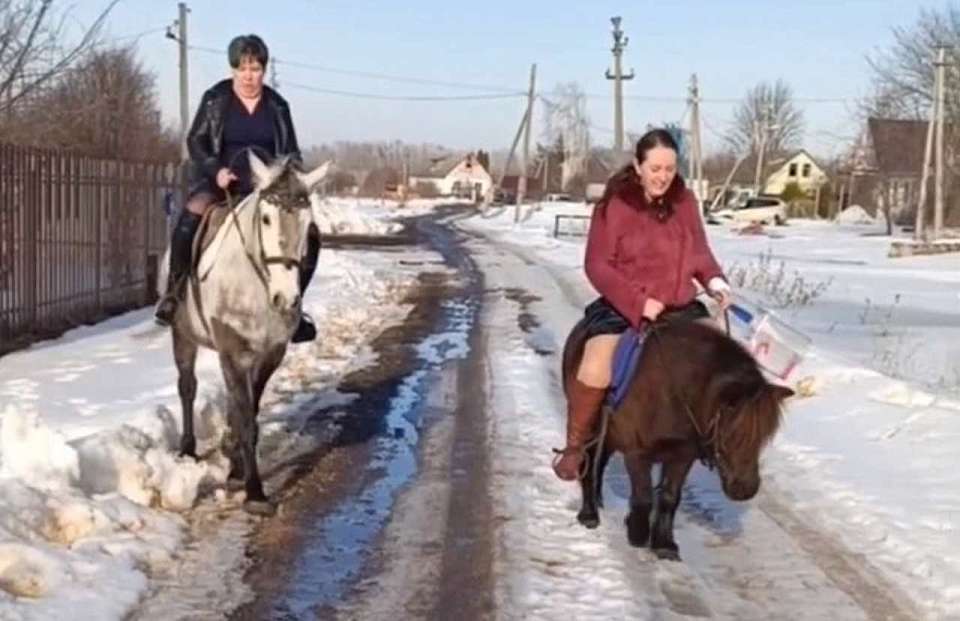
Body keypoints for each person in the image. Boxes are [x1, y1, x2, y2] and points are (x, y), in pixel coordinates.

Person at [552, 128, 732, 481]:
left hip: (679, 307)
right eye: (655, 169)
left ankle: (713, 440)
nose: (663, 177)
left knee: (722, 356)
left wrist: (714, 281)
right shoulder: (614, 206)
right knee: (596, 362)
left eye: (670, 169)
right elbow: (598, 265)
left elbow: (698, 252)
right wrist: (638, 303)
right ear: (638, 166)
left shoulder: (685, 202)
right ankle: (576, 447)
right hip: (626, 308)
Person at [154, 34, 320, 343]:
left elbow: (292, 153)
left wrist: (287, 179)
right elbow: (196, 141)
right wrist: (215, 170)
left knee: (310, 236)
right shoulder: (215, 99)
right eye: (242, 69)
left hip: (267, 189)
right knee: (191, 214)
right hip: (222, 182)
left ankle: (294, 309)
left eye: (255, 69)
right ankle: (174, 294)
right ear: (232, 69)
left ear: (263, 70)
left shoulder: (277, 106)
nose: (248, 76)